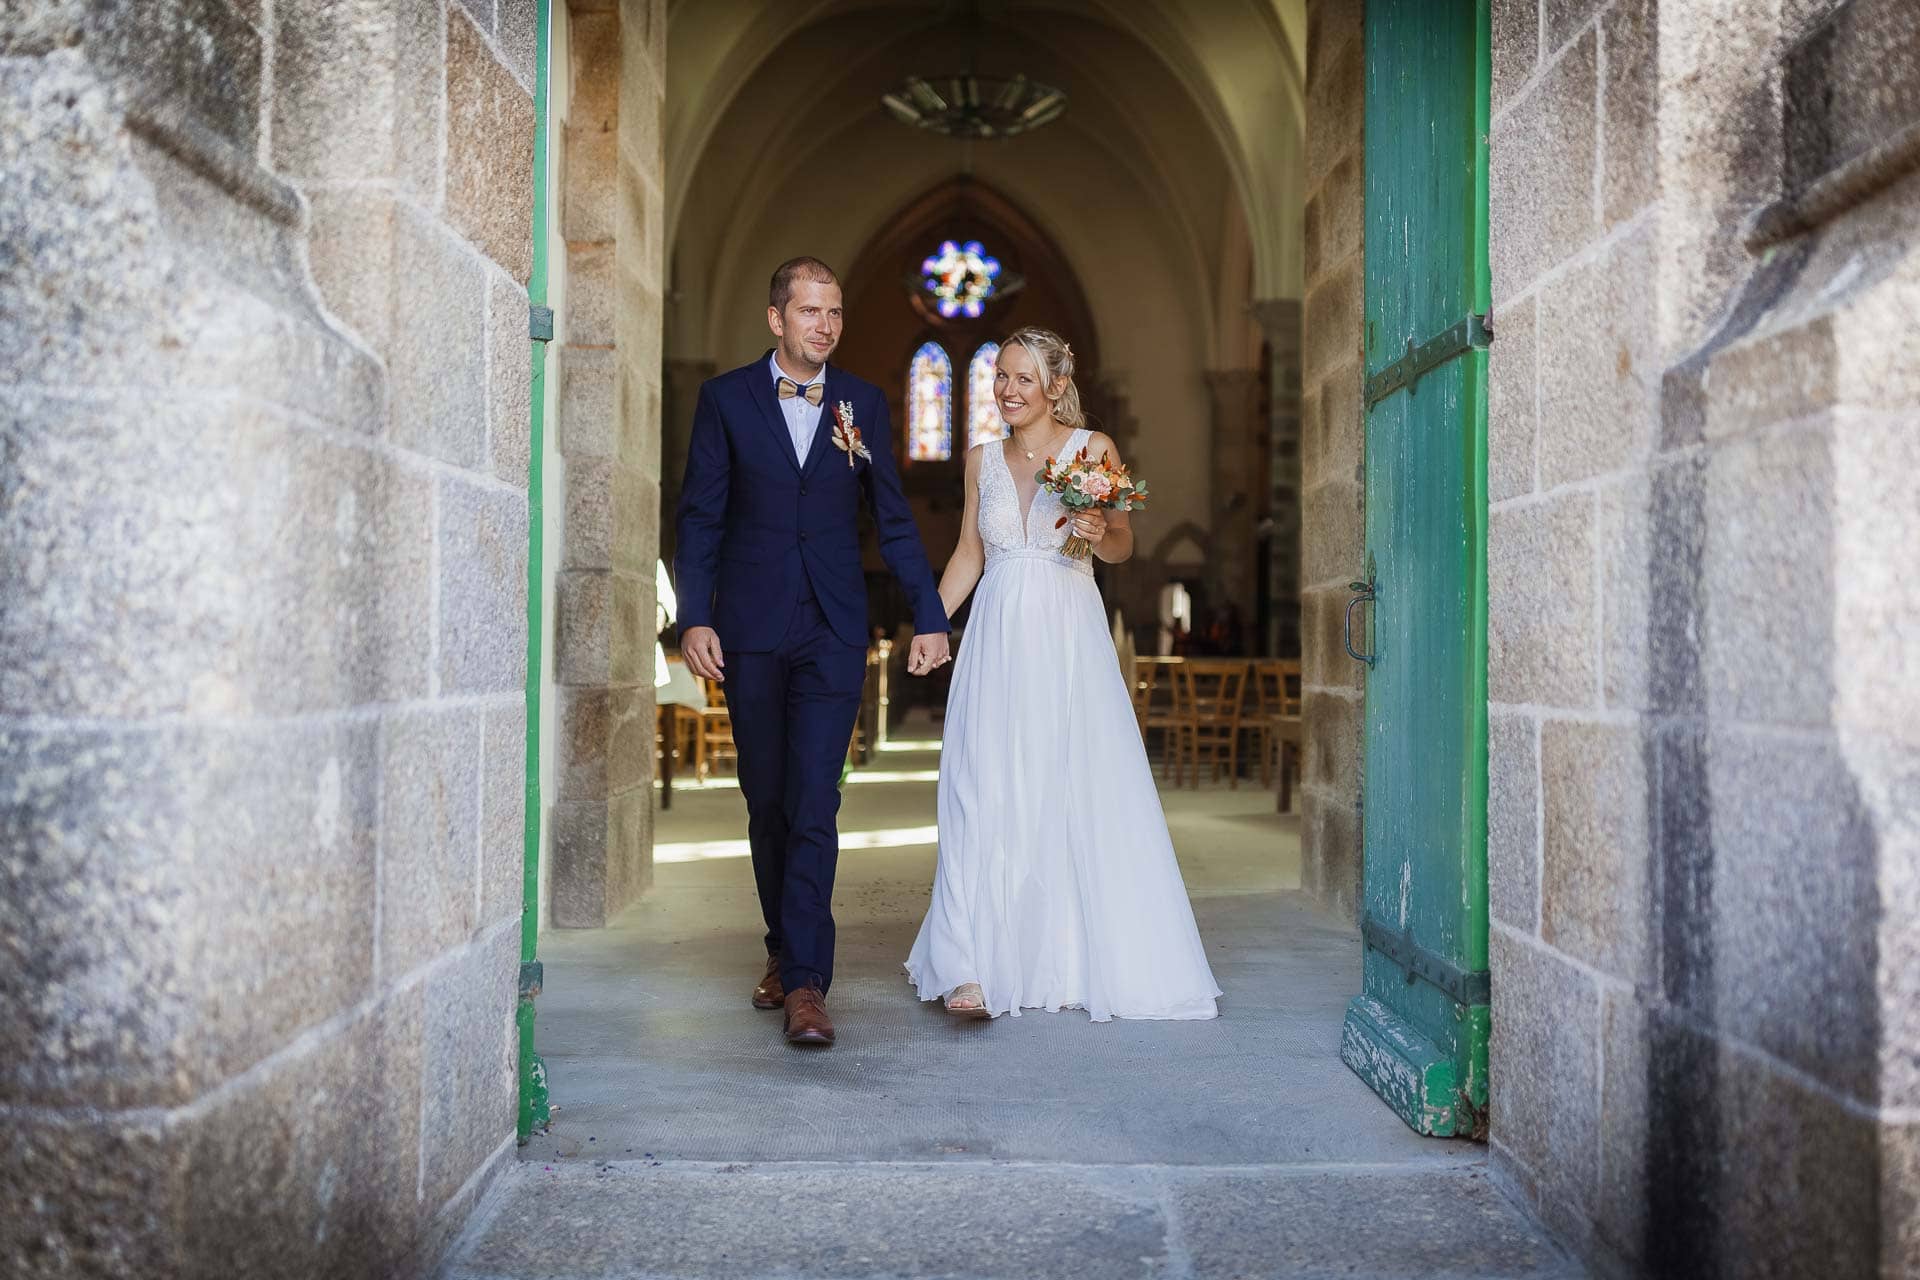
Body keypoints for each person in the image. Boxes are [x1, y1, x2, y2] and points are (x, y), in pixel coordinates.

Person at [904, 327, 1221, 1021]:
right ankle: (970, 965)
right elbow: (967, 555)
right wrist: (932, 621)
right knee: (978, 784)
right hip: (994, 633)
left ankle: (1066, 953)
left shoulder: (1093, 450)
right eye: (1001, 377)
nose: (1008, 391)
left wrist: (1096, 525)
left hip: (1066, 630)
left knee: (1063, 781)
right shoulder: (979, 459)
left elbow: (1120, 547)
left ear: (1054, 385)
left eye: (1023, 378)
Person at [675, 257, 951, 1048]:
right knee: (768, 800)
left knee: (817, 800)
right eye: (809, 312)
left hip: (834, 628)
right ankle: (781, 948)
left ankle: (806, 984)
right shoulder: (724, 400)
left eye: (834, 313)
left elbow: (894, 517)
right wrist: (695, 617)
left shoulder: (862, 403)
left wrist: (928, 615)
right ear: (777, 319)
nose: (824, 325)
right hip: (750, 628)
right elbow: (700, 517)